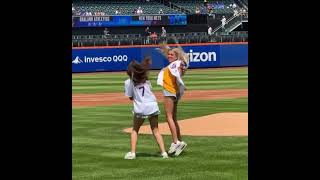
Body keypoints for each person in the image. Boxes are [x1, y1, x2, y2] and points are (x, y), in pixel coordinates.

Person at [124, 57, 168, 160]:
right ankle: (164, 152)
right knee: (156, 130)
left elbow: (130, 97)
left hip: (141, 107)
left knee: (135, 129)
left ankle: (133, 153)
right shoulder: (146, 80)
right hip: (152, 105)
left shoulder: (128, 82)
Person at [156, 43, 189, 156]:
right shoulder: (173, 65)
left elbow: (180, 71)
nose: (169, 56)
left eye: (171, 55)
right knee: (173, 118)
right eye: (168, 55)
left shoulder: (176, 64)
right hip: (173, 92)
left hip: (169, 91)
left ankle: (175, 142)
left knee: (169, 117)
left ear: (176, 57)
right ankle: (179, 140)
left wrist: (182, 69)